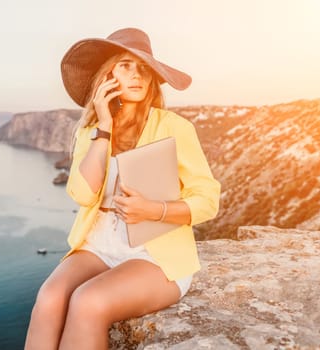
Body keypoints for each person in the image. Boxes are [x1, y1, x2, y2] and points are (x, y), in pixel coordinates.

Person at [24, 28, 220, 350]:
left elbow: (207, 200)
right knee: (49, 298)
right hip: (99, 244)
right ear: (108, 75)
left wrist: (154, 209)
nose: (136, 75)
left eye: (143, 69)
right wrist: (104, 128)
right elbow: (83, 196)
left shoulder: (174, 128)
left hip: (155, 254)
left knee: (88, 302)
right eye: (125, 65)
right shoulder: (89, 131)